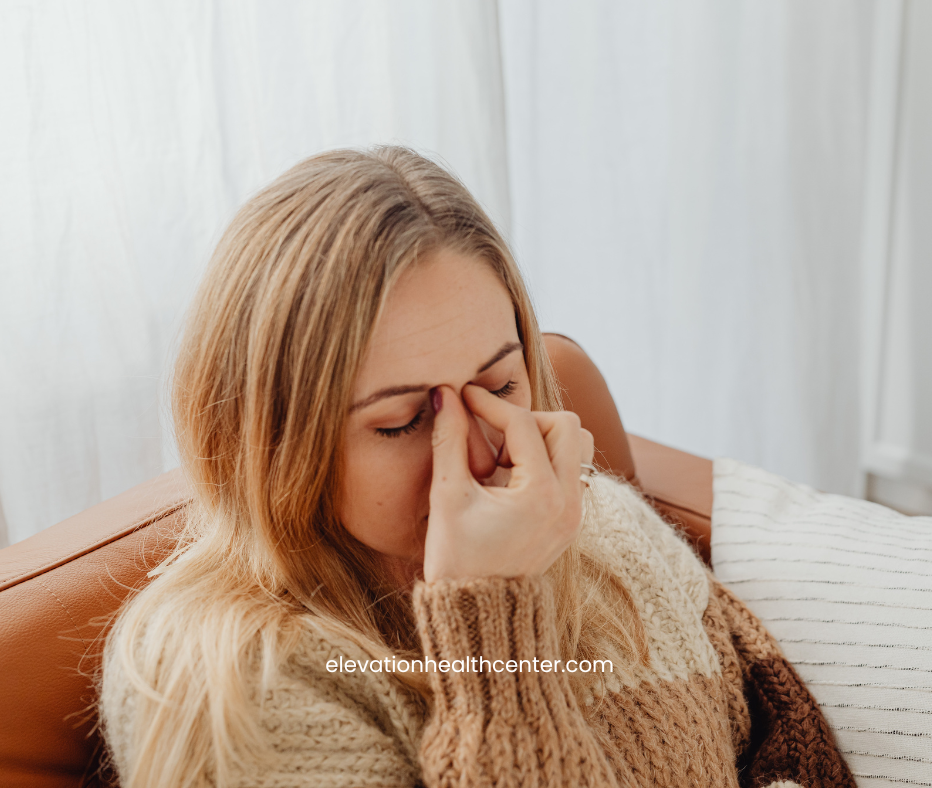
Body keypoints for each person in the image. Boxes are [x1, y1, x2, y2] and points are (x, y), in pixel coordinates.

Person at [100, 146, 854, 788]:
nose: (479, 452)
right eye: (402, 422)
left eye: (498, 388)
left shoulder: (603, 525)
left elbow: (780, 725)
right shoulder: (225, 685)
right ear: (273, 443)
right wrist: (492, 617)